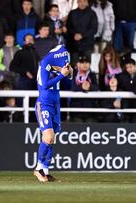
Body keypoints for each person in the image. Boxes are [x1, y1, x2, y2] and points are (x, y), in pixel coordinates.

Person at [33, 44, 73, 182]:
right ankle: (38, 169)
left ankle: (45, 171)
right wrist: (62, 75)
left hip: (55, 104)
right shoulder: (45, 63)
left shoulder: (60, 62)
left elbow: (69, 82)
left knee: (52, 139)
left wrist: (70, 73)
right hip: (44, 104)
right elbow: (45, 85)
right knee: (48, 137)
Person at [66, 0, 98, 65]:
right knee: (74, 66)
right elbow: (68, 27)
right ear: (77, 2)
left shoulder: (92, 14)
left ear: (87, 2)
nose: (82, 3)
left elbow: (94, 29)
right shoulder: (72, 13)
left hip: (87, 45)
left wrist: (82, 35)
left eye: (84, 1)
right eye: (80, 1)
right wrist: (74, 34)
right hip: (74, 45)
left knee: (86, 65)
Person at [70, 55, 99, 122]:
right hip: (76, 110)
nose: (85, 64)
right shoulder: (73, 74)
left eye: (87, 62)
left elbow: (96, 87)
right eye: (82, 62)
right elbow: (72, 87)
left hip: (90, 110)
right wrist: (81, 87)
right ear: (77, 64)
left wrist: (89, 86)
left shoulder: (92, 74)